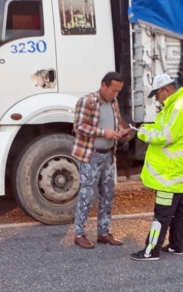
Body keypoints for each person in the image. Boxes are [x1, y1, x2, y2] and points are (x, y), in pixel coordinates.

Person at [130, 73, 183, 261]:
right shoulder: (177, 106)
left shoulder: (178, 109)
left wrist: (141, 131)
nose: (157, 99)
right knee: (177, 211)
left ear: (165, 90)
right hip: (177, 172)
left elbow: (164, 136)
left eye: (157, 95)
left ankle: (150, 251)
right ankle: (176, 245)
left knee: (162, 214)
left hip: (170, 174)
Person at [71, 71, 133, 249]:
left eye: (118, 91)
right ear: (103, 85)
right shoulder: (88, 101)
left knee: (108, 194)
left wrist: (121, 132)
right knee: (87, 195)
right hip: (90, 155)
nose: (116, 95)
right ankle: (79, 234)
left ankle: (103, 232)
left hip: (108, 154)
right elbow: (79, 126)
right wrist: (103, 132)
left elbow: (117, 122)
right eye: (113, 90)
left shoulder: (113, 103)